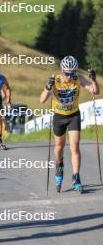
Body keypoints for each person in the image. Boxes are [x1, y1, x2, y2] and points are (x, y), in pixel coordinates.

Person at [40, 56, 100, 193]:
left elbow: (95, 91)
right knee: (59, 147)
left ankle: (76, 176)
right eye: (67, 73)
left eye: (72, 73)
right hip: (59, 116)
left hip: (73, 115)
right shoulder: (55, 80)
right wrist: (48, 87)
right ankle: (59, 165)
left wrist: (94, 80)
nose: (69, 76)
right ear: (62, 70)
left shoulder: (78, 79)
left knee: (75, 146)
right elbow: (42, 100)